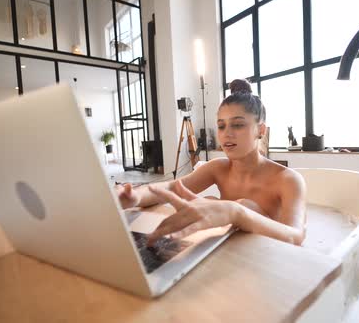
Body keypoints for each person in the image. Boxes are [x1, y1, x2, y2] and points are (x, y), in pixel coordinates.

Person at [116, 79, 307, 246]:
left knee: (241, 205)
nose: (227, 133)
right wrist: (136, 197)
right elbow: (172, 188)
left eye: (238, 124)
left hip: (266, 257)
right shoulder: (218, 168)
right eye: (221, 125)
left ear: (261, 130)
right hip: (229, 253)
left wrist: (236, 211)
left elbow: (295, 237)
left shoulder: (289, 180)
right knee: (210, 203)